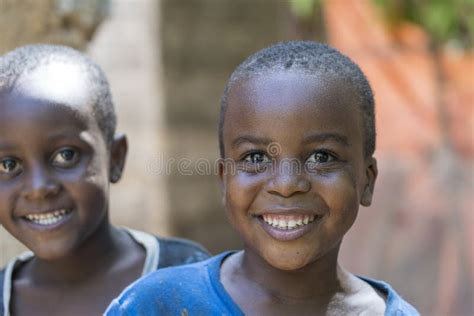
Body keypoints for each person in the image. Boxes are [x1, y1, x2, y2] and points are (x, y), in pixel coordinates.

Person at [105, 41, 419, 315]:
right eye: (256, 158)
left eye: (321, 157)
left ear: (367, 180)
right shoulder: (156, 306)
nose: (285, 185)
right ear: (224, 179)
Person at [0, 44, 209, 316]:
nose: (39, 188)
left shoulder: (188, 277)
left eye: (66, 155)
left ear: (115, 157)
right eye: (8, 164)